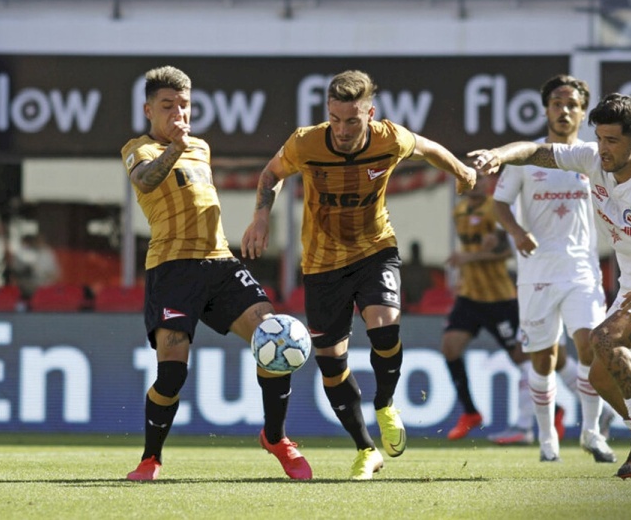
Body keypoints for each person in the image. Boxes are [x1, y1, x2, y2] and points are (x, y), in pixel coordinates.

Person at [471, 92, 631, 478]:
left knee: (602, 339)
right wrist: (500, 154)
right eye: (599, 137)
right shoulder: (592, 159)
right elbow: (535, 153)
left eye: (612, 141)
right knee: (598, 377)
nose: (602, 149)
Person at [242, 69, 477, 480]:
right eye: (335, 118)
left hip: (374, 249)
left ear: (371, 113)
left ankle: (385, 404)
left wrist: (461, 170)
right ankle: (366, 449)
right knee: (332, 363)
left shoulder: (390, 138)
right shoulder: (307, 142)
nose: (343, 129)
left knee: (384, 328)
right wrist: (261, 218)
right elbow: (271, 174)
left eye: (352, 120)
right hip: (321, 263)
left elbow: (428, 148)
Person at [121, 66, 311, 482]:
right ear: (148, 109)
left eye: (184, 105)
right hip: (172, 269)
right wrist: (174, 146)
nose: (178, 114)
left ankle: (276, 438)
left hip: (220, 263)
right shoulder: (139, 149)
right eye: (168, 106)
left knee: (274, 336)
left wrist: (255, 221)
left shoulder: (200, 148)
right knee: (172, 372)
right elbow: (147, 183)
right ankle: (150, 459)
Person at [487, 75, 615, 463]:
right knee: (542, 359)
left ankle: (592, 433)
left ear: (583, 113)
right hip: (537, 271)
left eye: (573, 104)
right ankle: (547, 439)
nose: (565, 110)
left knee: (591, 343)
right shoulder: (527, 156)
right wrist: (517, 232)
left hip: (581, 268)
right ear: (546, 110)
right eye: (557, 103)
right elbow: (499, 204)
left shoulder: (594, 158)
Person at [440, 175, 531, 442]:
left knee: (520, 358)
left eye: (481, 179)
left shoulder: (496, 207)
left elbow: (506, 251)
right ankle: (470, 413)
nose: (476, 183)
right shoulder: (459, 211)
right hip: (470, 296)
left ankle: (554, 410)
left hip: (499, 298)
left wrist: (471, 256)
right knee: (450, 348)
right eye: (470, 179)